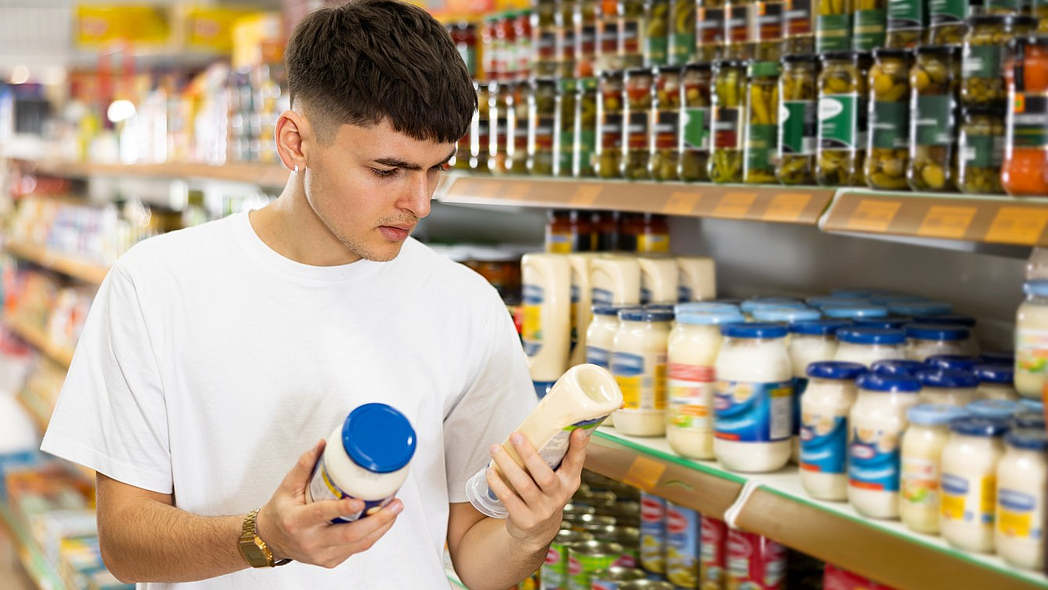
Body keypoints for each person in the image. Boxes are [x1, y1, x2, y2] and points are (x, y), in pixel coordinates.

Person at [39, 1, 589, 588]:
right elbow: (125, 542)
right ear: (295, 143)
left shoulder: (469, 307)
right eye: (387, 170)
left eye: (436, 169)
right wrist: (263, 539)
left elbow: (479, 565)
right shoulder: (155, 284)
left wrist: (528, 532)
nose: (421, 203)